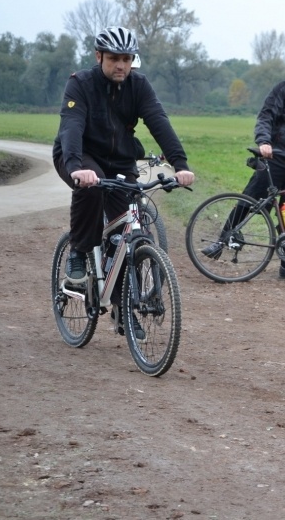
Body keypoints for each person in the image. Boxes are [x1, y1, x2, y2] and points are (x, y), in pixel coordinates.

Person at [53, 26, 195, 336]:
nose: (122, 65)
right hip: (79, 156)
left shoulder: (139, 85)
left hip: (119, 161)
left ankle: (122, 308)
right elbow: (72, 126)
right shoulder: (81, 84)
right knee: (90, 188)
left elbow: (159, 122)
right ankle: (78, 249)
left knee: (125, 233)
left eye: (127, 59)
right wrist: (76, 167)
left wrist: (180, 164)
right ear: (99, 56)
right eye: (115, 58)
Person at [201, 46, 285, 278]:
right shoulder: (283, 90)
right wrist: (264, 141)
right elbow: (266, 116)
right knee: (248, 200)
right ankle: (221, 241)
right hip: (275, 160)